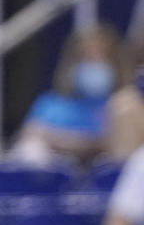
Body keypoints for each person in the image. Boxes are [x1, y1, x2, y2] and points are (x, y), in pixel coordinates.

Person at [11, 24, 132, 166]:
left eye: (101, 57)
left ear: (115, 62)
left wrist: (62, 140)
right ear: (72, 64)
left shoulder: (126, 105)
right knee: (30, 149)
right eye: (86, 57)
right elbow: (31, 134)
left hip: (111, 175)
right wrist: (92, 144)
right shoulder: (51, 104)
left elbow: (123, 143)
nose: (93, 64)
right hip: (57, 170)